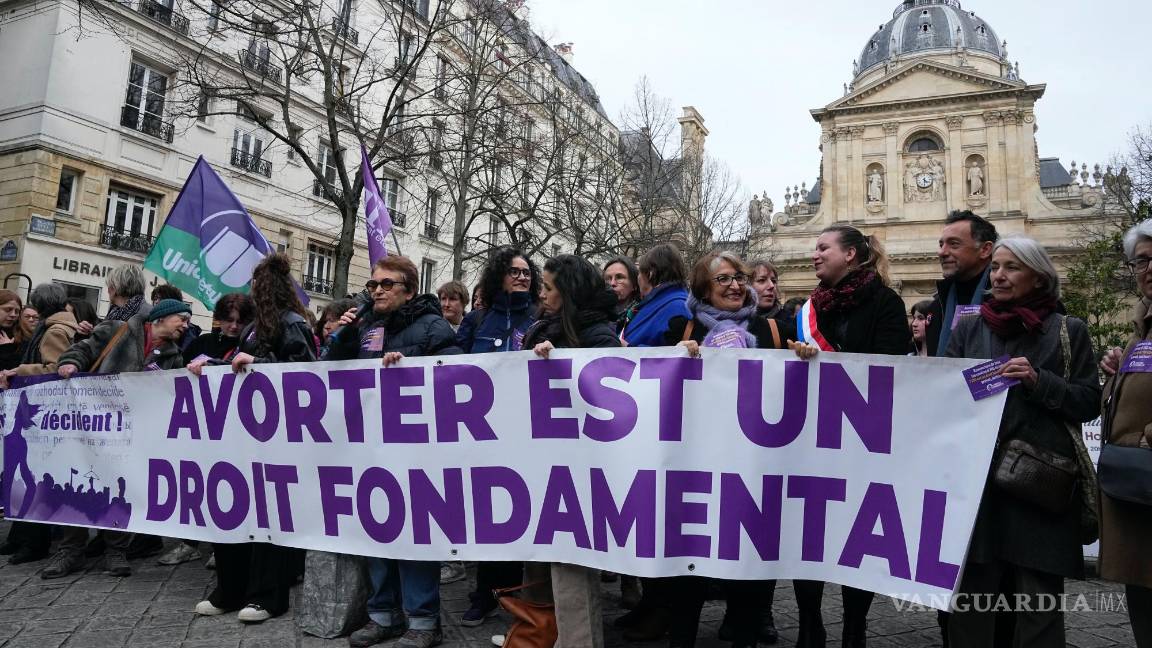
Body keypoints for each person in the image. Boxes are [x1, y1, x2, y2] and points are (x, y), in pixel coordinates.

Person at [945, 236, 1100, 647]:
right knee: (971, 600)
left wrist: (1038, 380)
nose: (998, 275)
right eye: (995, 266)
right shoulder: (969, 328)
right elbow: (944, 397)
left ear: (1038, 277)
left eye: (1011, 267)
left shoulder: (1070, 331)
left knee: (1039, 604)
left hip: (1041, 482)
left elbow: (1088, 401)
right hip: (979, 486)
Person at [327, 255, 459, 648]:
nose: (377, 291)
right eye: (373, 285)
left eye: (387, 284)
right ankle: (383, 616)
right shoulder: (366, 326)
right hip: (373, 449)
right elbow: (331, 374)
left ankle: (423, 622)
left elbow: (455, 372)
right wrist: (344, 337)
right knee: (378, 531)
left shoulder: (434, 326)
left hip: (418, 452)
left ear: (409, 290)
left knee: (416, 535)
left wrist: (411, 367)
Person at [662, 252, 790, 648]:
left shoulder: (770, 330)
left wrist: (804, 359)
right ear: (703, 288)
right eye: (723, 280)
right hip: (696, 472)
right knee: (689, 567)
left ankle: (744, 633)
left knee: (747, 566)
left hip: (751, 471)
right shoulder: (679, 330)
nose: (736, 285)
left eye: (739, 277)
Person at [793, 225, 910, 648]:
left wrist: (830, 362)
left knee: (856, 541)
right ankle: (809, 624)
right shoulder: (806, 308)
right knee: (807, 538)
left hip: (862, 441)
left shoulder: (886, 304)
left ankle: (854, 628)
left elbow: (892, 368)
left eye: (823, 247)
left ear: (852, 255)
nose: (815, 255)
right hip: (810, 441)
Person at [194, 254, 315, 624]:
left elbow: (305, 373)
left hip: (275, 438)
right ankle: (231, 589)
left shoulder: (293, 323)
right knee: (232, 509)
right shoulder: (253, 328)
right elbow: (240, 367)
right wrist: (208, 367)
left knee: (268, 518)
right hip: (244, 436)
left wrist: (256, 365)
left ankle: (268, 596)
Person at [47, 298, 193, 579]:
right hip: (92, 424)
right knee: (78, 483)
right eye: (182, 320)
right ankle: (70, 550)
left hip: (131, 433)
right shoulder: (118, 330)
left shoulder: (173, 355)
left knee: (120, 489)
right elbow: (82, 350)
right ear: (160, 318)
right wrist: (69, 364)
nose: (186, 326)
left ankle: (115, 550)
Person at [523, 253, 622, 648]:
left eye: (548, 287)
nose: (542, 294)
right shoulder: (541, 328)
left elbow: (612, 404)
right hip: (539, 464)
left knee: (570, 565)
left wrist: (562, 366)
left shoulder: (599, 336)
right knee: (538, 561)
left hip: (579, 473)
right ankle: (538, 635)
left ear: (569, 292)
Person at [455, 247, 539, 628]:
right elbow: (448, 366)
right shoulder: (478, 320)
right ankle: (486, 593)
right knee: (490, 515)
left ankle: (523, 594)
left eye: (526, 272)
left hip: (528, 435)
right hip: (484, 436)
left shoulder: (540, 318)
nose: (522, 277)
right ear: (497, 277)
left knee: (524, 513)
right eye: (514, 272)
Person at [1096, 219, 1152, 648]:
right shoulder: (1142, 329)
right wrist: (1117, 375)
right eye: (1142, 261)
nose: (1148, 268)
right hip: (1140, 491)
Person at [0, 284, 78, 565]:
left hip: (42, 413)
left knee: (33, 473)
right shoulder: (55, 326)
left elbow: (54, 367)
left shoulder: (55, 330)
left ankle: (35, 543)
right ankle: (22, 538)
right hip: (36, 413)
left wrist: (18, 370)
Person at [928, 211, 998, 356]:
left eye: (954, 244)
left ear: (985, 250)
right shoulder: (937, 306)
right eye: (941, 244)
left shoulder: (1008, 301)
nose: (942, 252)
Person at [621, 243, 691, 348]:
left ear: (650, 274)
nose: (638, 278)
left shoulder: (677, 307)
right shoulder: (656, 303)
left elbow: (672, 358)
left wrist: (628, 348)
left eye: (639, 272)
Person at [151, 283, 202, 350]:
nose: (156, 302)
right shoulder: (140, 327)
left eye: (161, 298)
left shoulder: (188, 337)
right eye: (155, 298)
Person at [603, 256, 641, 332]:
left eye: (620, 277)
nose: (612, 283)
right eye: (608, 278)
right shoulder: (594, 316)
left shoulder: (641, 316)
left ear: (634, 285)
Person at [0, 289, 24, 369]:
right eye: (8, 310)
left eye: (17, 311)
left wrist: (7, 348)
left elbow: (17, 370)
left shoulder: (22, 335)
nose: (13, 315)